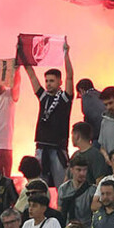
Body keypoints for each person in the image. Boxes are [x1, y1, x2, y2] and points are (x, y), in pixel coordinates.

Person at [23, 41, 73, 187]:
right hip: (41, 148)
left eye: (52, 81)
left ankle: (61, 209)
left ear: (60, 81)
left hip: (58, 148)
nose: (48, 84)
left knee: (61, 186)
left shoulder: (65, 98)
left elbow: (70, 75)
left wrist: (66, 54)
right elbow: (31, 75)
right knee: (39, 185)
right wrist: (23, 56)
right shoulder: (43, 97)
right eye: (46, 81)